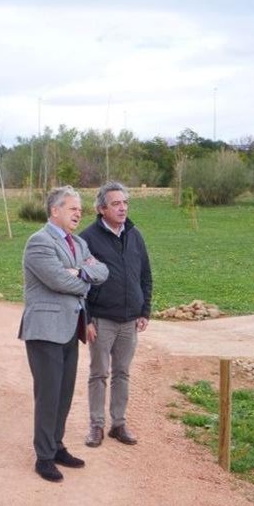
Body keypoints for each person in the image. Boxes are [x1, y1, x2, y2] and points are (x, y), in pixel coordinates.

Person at [19, 186, 109, 482]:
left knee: (64, 392)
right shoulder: (39, 242)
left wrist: (78, 272)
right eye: (72, 208)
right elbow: (58, 280)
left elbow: (103, 272)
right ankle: (43, 457)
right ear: (54, 211)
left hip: (71, 328)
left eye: (79, 209)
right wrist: (83, 279)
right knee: (48, 394)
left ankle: (56, 446)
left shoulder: (79, 244)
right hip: (45, 331)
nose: (78, 213)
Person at [79, 182, 153, 447]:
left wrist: (144, 310)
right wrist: (86, 319)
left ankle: (118, 424)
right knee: (99, 373)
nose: (122, 208)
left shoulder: (135, 235)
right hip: (102, 319)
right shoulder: (87, 239)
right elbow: (81, 283)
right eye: (115, 204)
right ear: (101, 209)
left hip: (130, 320)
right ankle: (96, 426)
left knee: (122, 373)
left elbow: (145, 275)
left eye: (125, 203)